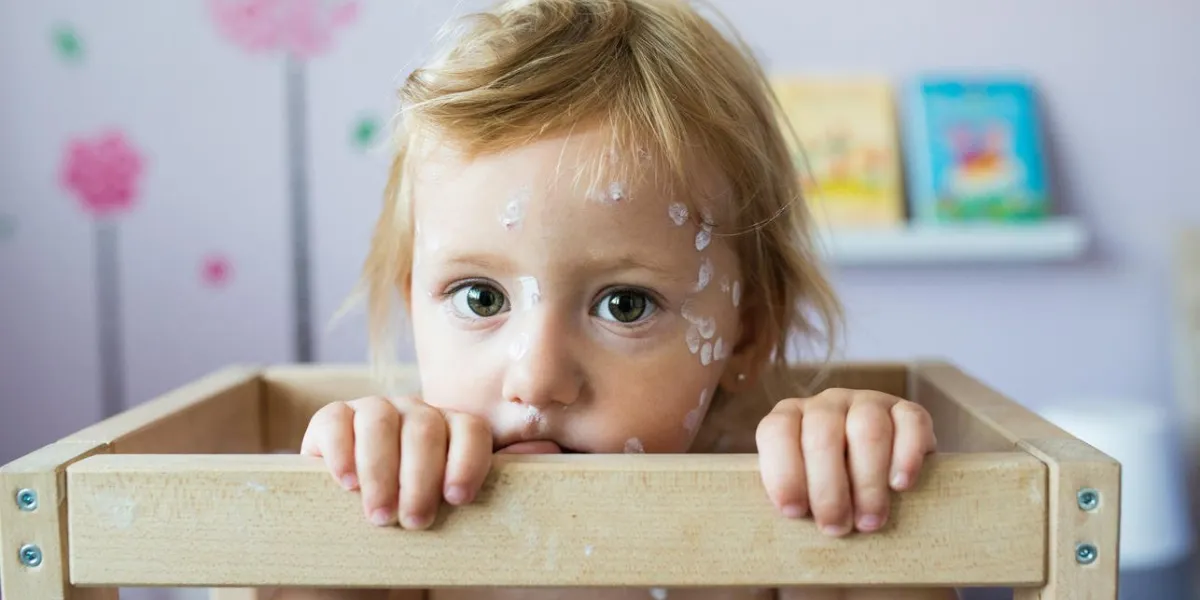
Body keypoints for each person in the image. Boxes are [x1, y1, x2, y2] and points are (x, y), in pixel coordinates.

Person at [288, 1, 947, 598]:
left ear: (748, 331)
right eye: (480, 297)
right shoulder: (401, 538)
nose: (538, 378)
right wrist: (329, 521)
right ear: (415, 307)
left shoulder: (780, 535)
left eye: (624, 305)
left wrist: (862, 484)